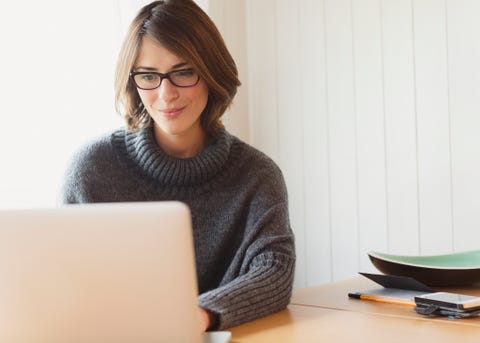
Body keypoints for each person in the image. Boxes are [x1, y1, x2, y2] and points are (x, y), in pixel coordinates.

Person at [61, 0, 295, 331]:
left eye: (184, 72)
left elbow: (275, 270)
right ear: (133, 81)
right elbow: (65, 278)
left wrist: (199, 315)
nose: (166, 93)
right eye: (148, 76)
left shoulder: (258, 175)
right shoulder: (92, 169)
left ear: (212, 72)